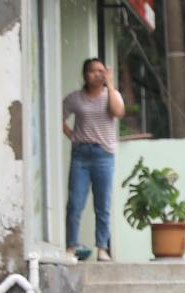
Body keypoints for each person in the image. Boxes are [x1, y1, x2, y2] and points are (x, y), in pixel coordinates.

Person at [62, 58, 124, 261]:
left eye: (101, 71)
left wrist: (111, 84)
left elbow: (118, 112)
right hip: (80, 154)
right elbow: (58, 116)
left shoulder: (111, 95)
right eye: (92, 71)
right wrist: (72, 135)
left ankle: (102, 248)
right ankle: (71, 246)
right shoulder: (76, 98)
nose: (97, 74)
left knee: (102, 204)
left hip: (104, 154)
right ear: (85, 75)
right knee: (75, 202)